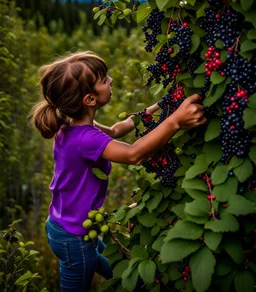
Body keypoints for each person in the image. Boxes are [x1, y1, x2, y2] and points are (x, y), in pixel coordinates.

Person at [31, 51, 206, 292]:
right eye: (104, 80)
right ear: (90, 99)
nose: (111, 80)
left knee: (126, 275)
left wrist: (161, 106)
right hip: (74, 239)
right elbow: (134, 154)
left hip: (65, 226)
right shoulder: (85, 139)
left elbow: (115, 130)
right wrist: (175, 120)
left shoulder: (74, 125)